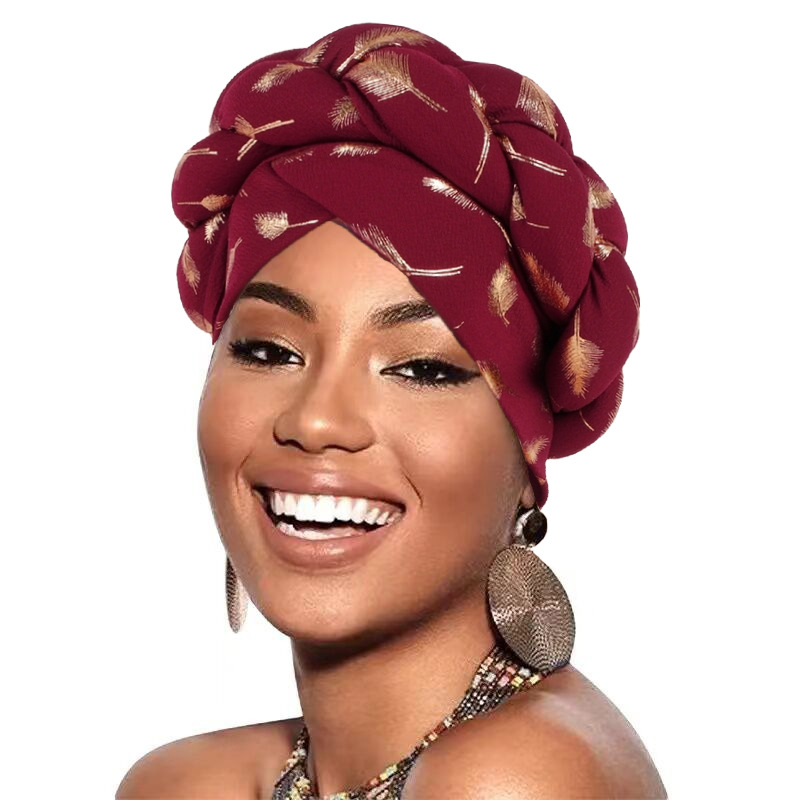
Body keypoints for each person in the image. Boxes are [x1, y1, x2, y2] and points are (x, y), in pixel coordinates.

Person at [116, 22, 666, 799]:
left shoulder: (514, 778)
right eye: (268, 351)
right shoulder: (188, 783)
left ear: (527, 462)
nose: (316, 421)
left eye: (421, 368)